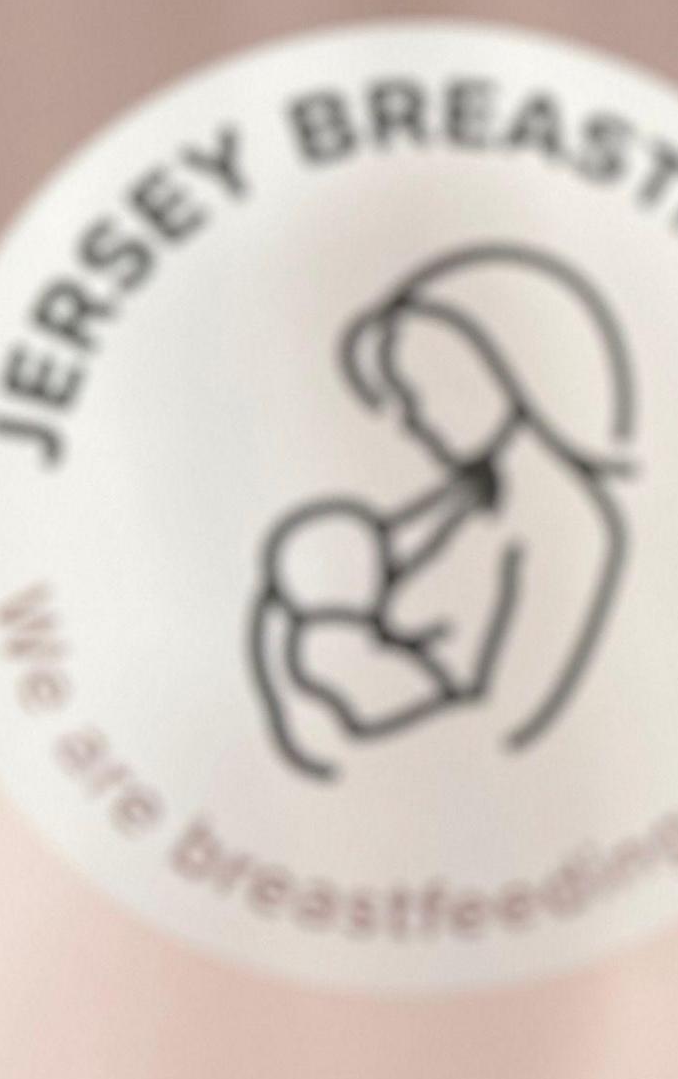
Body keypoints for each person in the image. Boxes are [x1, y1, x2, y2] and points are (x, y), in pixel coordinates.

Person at [250, 244, 637, 776]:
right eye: (404, 396)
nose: (414, 418)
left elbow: (506, 728)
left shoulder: (569, 529)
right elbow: (313, 575)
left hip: (416, 780)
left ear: (504, 365)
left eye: (427, 387)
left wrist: (340, 755)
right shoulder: (460, 500)